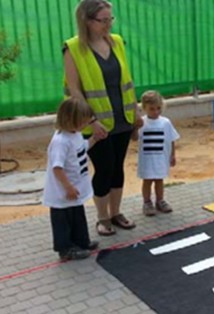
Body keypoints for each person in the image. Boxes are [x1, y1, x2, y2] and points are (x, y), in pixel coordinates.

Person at [63, 0, 142, 236]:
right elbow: (74, 90)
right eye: (103, 20)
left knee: (117, 167)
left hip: (123, 118)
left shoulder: (116, 42)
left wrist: (136, 111)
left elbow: (128, 80)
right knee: (104, 168)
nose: (108, 24)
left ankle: (116, 213)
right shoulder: (73, 48)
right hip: (95, 124)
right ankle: (102, 218)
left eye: (111, 19)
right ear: (87, 21)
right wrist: (91, 121)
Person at [43, 98, 100, 261]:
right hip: (63, 191)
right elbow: (57, 167)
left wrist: (94, 139)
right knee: (63, 219)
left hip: (76, 187)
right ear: (70, 120)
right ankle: (65, 248)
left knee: (77, 215)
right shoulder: (61, 141)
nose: (86, 125)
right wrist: (67, 187)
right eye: (83, 122)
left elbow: (81, 149)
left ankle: (82, 241)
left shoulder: (75, 134)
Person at [134, 91, 180, 216]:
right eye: (152, 109)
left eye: (158, 108)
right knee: (147, 181)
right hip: (147, 160)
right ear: (144, 108)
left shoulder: (166, 122)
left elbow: (171, 139)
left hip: (161, 159)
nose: (155, 112)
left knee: (159, 180)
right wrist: (135, 127)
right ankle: (147, 202)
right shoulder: (141, 123)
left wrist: (173, 155)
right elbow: (134, 138)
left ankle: (160, 200)